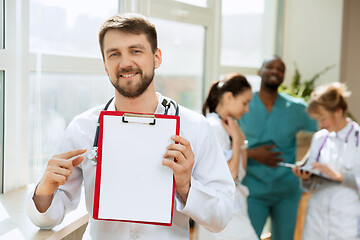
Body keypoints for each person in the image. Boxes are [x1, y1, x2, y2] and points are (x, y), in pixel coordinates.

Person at [26, 13, 235, 240]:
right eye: (114, 54)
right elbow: (48, 217)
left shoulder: (195, 128)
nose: (125, 63)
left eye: (136, 51)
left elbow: (221, 217)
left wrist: (185, 186)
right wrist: (44, 189)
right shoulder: (83, 128)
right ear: (105, 65)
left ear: (157, 58)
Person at [238, 56, 318, 240]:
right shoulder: (245, 105)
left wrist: (306, 161)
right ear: (259, 71)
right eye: (270, 67)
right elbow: (224, 142)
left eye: (280, 69)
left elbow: (322, 132)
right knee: (248, 236)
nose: (275, 71)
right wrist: (252, 153)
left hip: (287, 190)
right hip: (253, 189)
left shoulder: (296, 108)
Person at [292, 82, 360, 239]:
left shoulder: (358, 138)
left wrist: (339, 176)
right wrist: (305, 176)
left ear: (338, 111)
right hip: (317, 213)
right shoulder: (320, 137)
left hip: (346, 215)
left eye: (323, 119)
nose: (319, 125)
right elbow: (310, 179)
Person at [195, 73, 258, 240]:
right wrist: (237, 141)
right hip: (223, 209)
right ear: (229, 97)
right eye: (245, 103)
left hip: (232, 207)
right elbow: (231, 176)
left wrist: (240, 139)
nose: (247, 109)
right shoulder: (214, 127)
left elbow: (241, 171)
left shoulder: (228, 126)